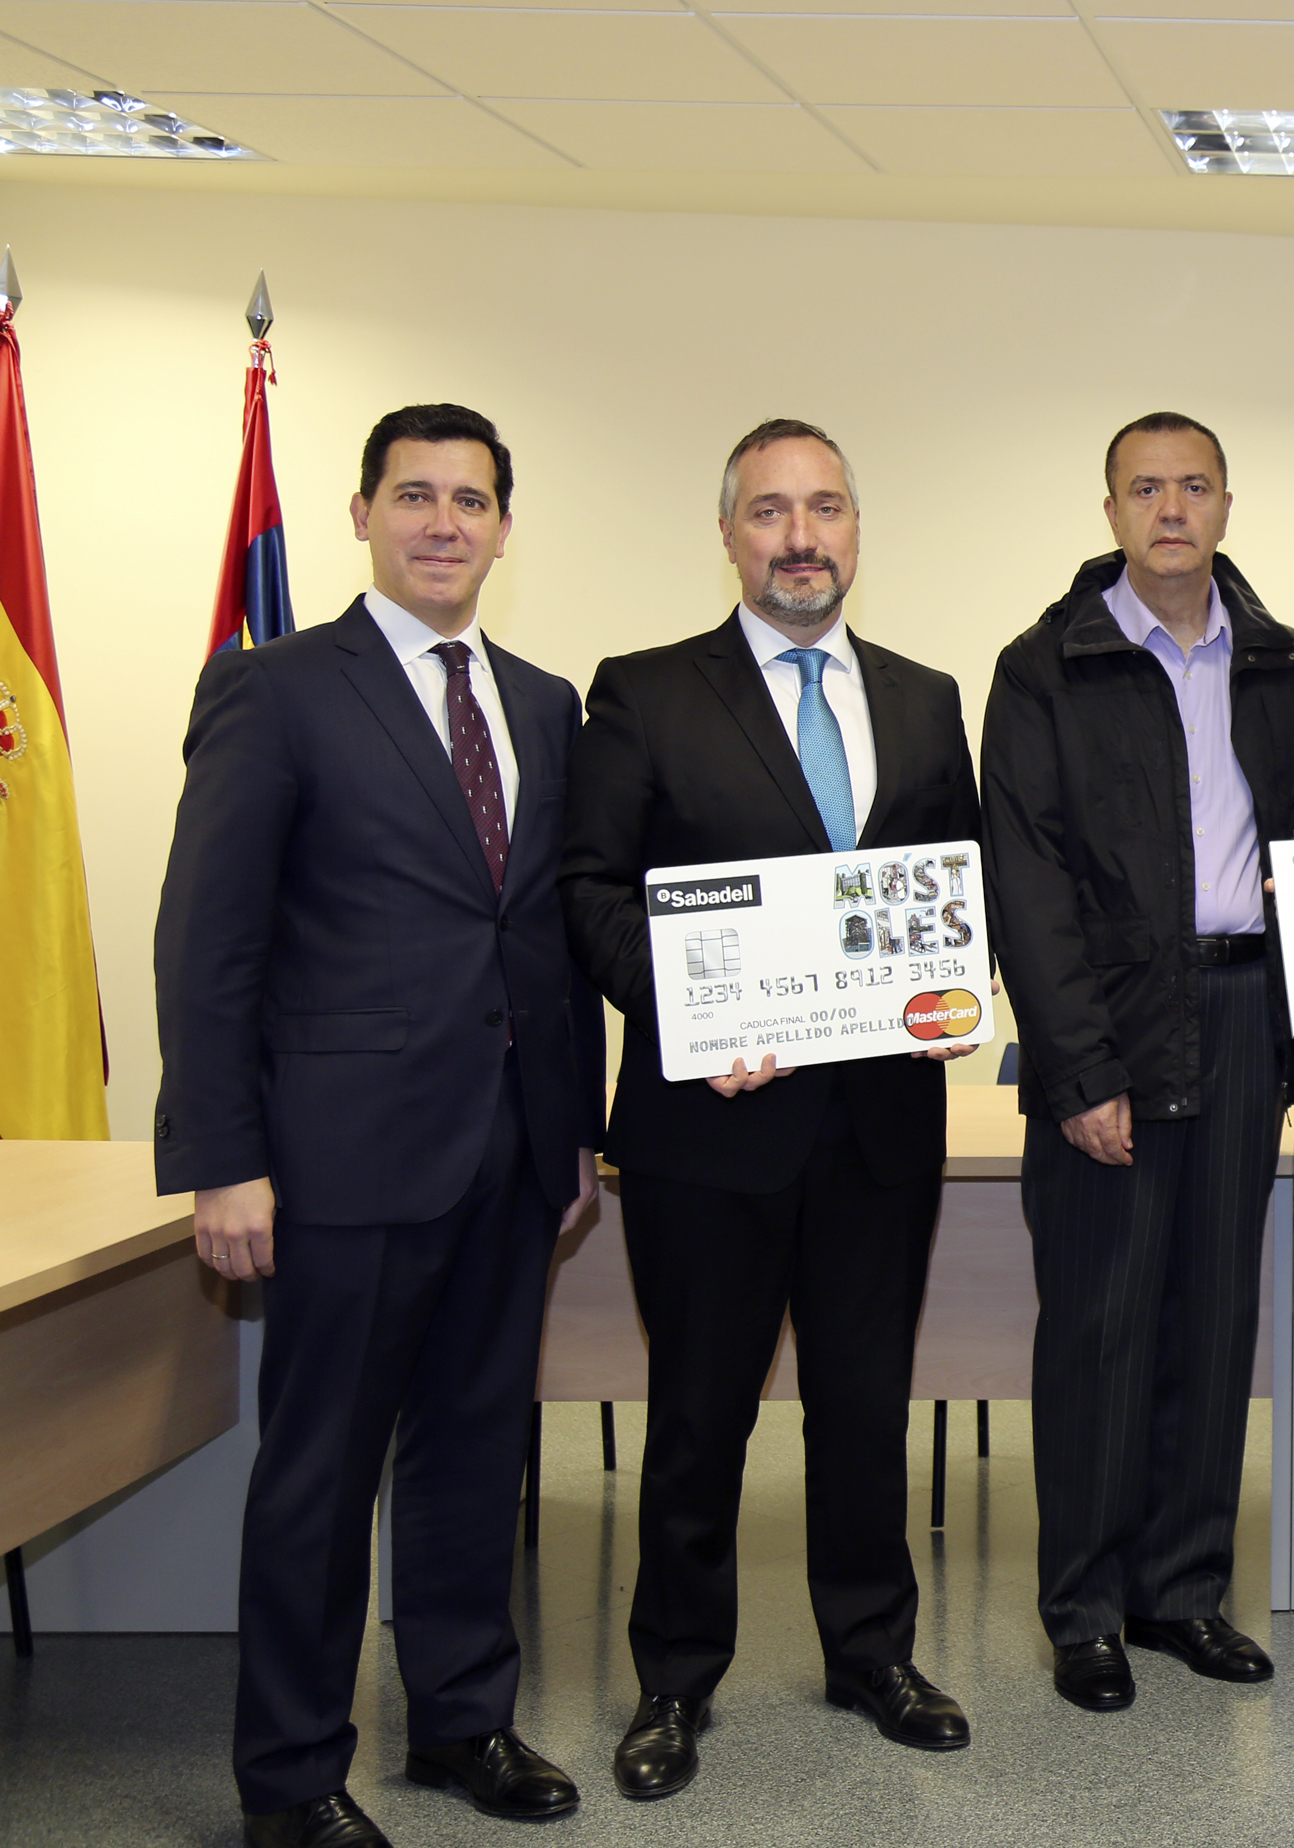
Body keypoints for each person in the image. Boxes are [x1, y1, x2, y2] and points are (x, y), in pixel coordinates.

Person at [155, 404, 601, 1848]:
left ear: (504, 528)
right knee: (320, 1477)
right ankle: (290, 1779)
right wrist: (223, 1157)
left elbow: (545, 934)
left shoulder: (543, 703)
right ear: (361, 514)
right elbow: (207, 942)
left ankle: (463, 1722)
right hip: (342, 1160)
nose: (443, 524)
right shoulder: (274, 688)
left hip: (512, 1153)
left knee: (474, 1454)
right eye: (415, 495)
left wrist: (575, 1133)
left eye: (471, 500)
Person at [559, 418, 984, 1799]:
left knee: (865, 1408)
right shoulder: (644, 692)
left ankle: (872, 1653)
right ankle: (676, 1678)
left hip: (879, 1130)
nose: (802, 537)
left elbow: (954, 884)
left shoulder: (925, 698)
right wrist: (695, 1020)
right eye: (770, 511)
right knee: (699, 1418)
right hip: (711, 1128)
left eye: (826, 508)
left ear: (857, 527)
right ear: (730, 533)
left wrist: (954, 981)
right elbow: (588, 889)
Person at [982, 411, 1294, 1712]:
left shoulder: (1282, 660)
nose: (1171, 509)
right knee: (1101, 1328)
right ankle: (1084, 1611)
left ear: (1227, 503)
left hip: (1243, 1012)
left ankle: (1182, 1591)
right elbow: (1027, 885)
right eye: (1145, 488)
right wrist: (1079, 1069)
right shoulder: (1044, 668)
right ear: (1112, 511)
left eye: (1193, 486)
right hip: (1113, 1018)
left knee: (1214, 1317)